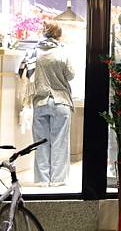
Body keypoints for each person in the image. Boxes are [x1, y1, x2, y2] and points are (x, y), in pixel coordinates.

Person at [25, 21, 74, 186]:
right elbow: (71, 75)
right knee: (60, 141)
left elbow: (28, 74)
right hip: (61, 101)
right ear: (59, 34)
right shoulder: (63, 52)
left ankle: (42, 180)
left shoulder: (34, 52)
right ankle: (58, 180)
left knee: (40, 142)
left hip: (40, 101)